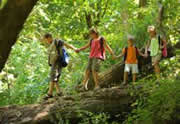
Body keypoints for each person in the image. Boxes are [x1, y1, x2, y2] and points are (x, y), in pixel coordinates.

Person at [43, 33, 77, 100]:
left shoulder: (57, 41)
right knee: (55, 77)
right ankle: (59, 92)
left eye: (46, 39)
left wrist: (74, 49)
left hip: (57, 62)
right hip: (54, 62)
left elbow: (65, 44)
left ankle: (50, 93)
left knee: (53, 76)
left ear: (49, 37)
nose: (46, 41)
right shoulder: (51, 44)